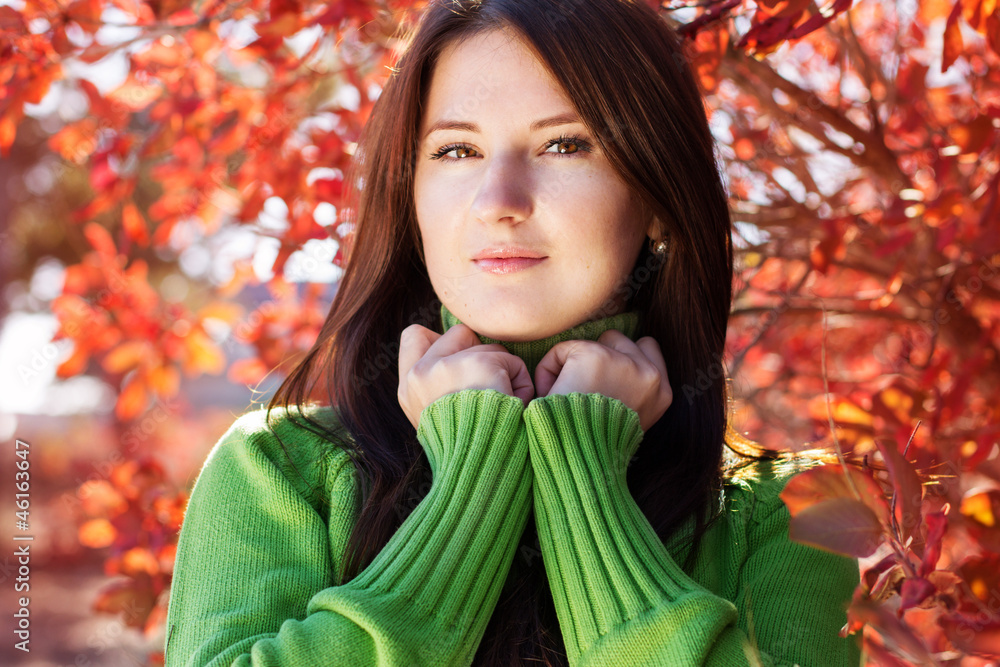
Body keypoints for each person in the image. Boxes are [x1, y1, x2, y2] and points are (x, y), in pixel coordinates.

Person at [163, 0, 863, 664]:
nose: (499, 201)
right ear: (410, 195)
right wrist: (475, 472)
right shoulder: (279, 472)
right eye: (456, 152)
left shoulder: (788, 511)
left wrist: (583, 460)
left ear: (656, 196)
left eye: (564, 144)